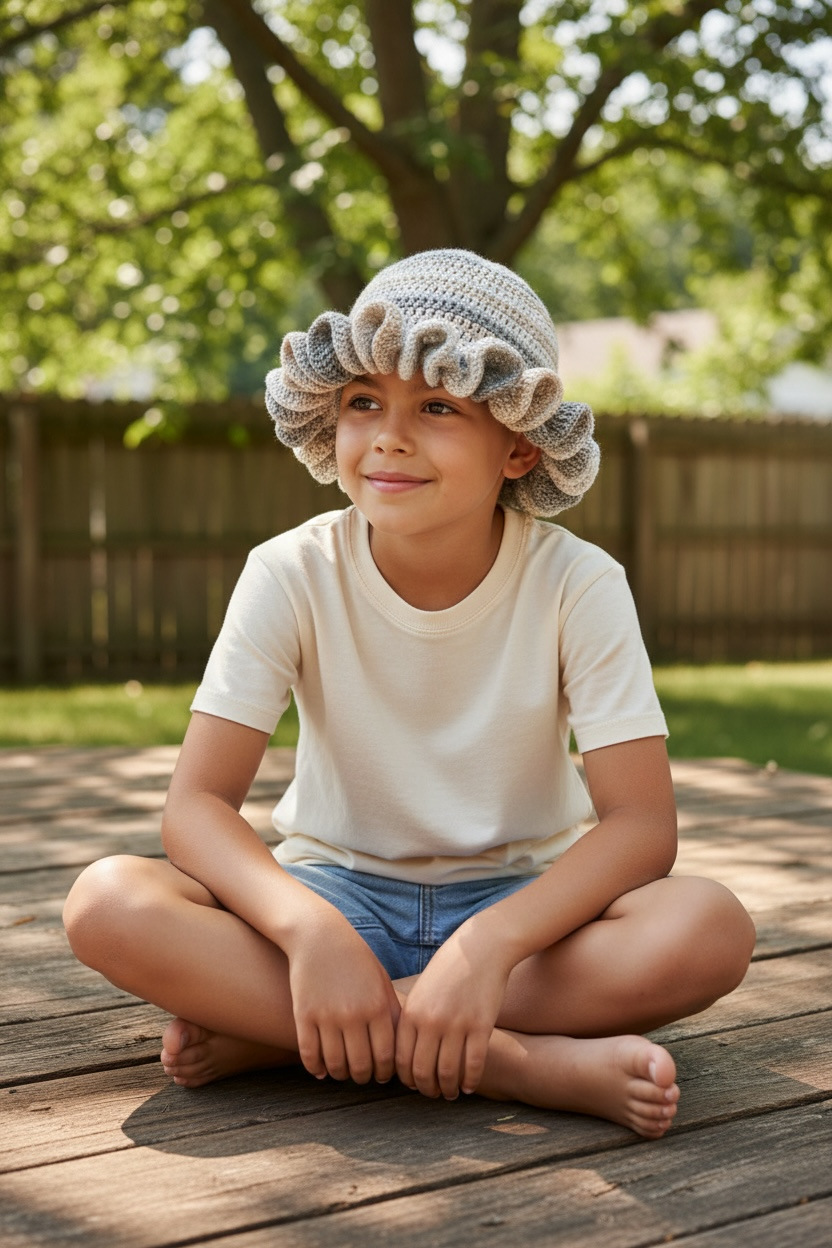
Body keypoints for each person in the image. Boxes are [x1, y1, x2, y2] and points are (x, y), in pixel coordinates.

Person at [64, 249, 755, 1139]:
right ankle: (511, 1060)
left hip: (523, 915)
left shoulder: (578, 584)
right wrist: (309, 933)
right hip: (333, 893)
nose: (388, 437)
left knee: (711, 927)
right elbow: (196, 808)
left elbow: (640, 829)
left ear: (517, 442)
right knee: (107, 902)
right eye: (363, 403)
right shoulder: (290, 572)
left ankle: (294, 1037)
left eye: (436, 406)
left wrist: (488, 946)